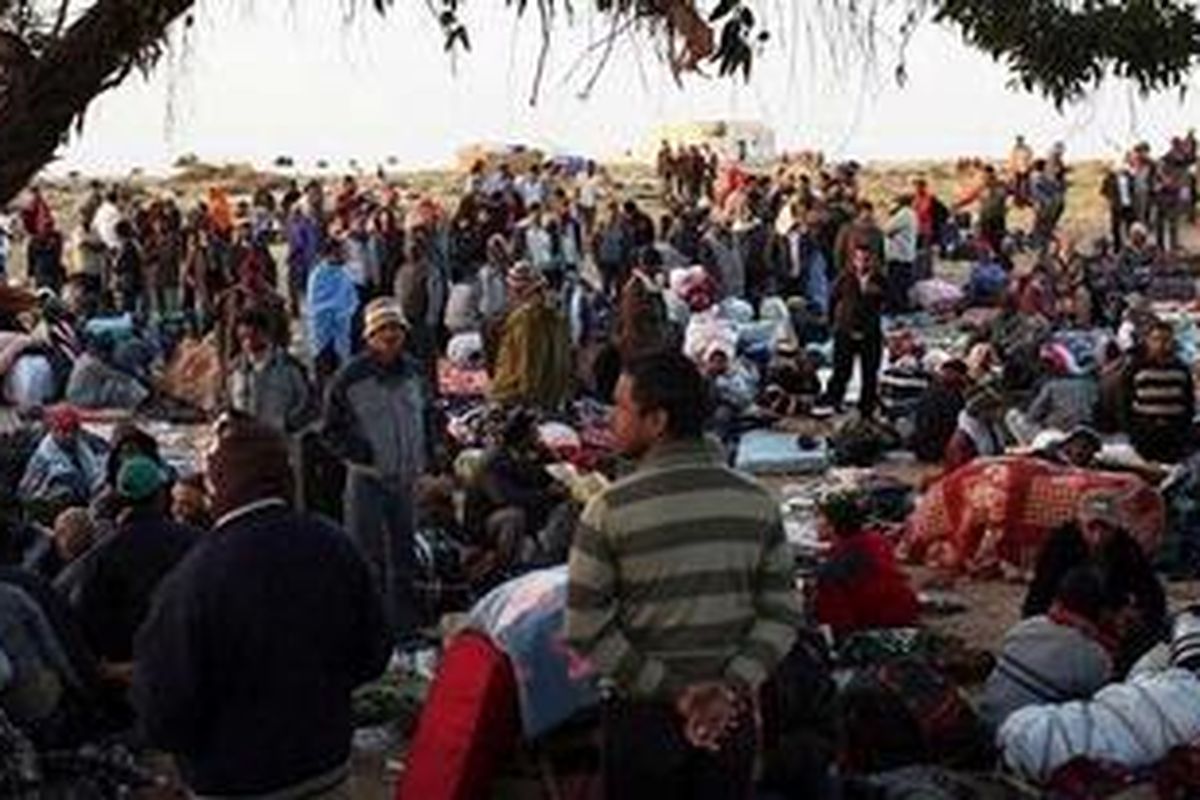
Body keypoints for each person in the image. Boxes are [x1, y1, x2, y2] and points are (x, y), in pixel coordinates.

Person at [566, 353, 801, 799]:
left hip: (642, 722)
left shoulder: (610, 510)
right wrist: (730, 687)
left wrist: (678, 694)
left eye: (619, 407)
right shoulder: (755, 502)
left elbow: (583, 627)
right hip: (728, 720)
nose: (610, 419)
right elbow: (783, 614)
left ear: (656, 421)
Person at [133, 418, 389, 799]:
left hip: (234, 781)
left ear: (219, 487)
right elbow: (373, 654)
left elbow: (164, 713)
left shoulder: (191, 579)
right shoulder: (335, 545)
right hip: (325, 767)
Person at [322, 298, 437, 647]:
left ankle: (405, 626)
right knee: (366, 556)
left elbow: (430, 415)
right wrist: (361, 451)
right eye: (383, 331)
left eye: (396, 330)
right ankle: (369, 631)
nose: (391, 337)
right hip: (367, 479)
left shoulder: (415, 371)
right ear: (370, 336)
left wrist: (433, 451)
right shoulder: (349, 377)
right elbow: (330, 430)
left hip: (404, 478)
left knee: (403, 553)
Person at [75, 455, 197, 681]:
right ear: (161, 496)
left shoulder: (102, 554)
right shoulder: (194, 542)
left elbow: (89, 619)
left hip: (126, 674)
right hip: (187, 665)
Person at [1023, 504, 1167, 675]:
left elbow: (1153, 596)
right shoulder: (1060, 542)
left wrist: (1134, 613)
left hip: (1108, 616)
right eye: (1091, 527)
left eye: (1105, 529)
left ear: (1116, 528)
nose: (1097, 537)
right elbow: (1038, 594)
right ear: (1079, 525)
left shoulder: (1127, 547)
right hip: (1066, 615)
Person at [980, 566, 1115, 731]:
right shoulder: (1093, 656)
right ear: (1100, 612)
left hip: (986, 721)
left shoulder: (1027, 626)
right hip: (1022, 743)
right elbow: (1103, 706)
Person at [810, 491, 919, 638]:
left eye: (819, 517)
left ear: (832, 524)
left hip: (876, 627)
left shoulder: (834, 566)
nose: (814, 522)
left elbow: (837, 623)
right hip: (907, 614)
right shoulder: (878, 540)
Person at [489, 263, 573, 410]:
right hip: (551, 397)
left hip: (517, 399)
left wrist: (525, 405)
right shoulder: (556, 315)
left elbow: (528, 366)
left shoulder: (526, 318)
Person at [816, 242, 885, 418]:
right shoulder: (844, 278)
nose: (863, 264)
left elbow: (892, 301)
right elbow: (832, 301)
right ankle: (834, 401)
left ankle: (866, 409)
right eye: (859, 260)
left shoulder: (880, 280)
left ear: (873, 261)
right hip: (845, 331)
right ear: (853, 260)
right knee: (841, 370)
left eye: (867, 260)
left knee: (869, 373)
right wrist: (832, 324)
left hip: (870, 333)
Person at [226, 308, 315, 436]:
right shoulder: (235, 371)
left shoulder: (291, 367)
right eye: (243, 338)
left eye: (253, 336)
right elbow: (227, 406)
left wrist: (288, 424)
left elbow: (309, 405)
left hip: (282, 446)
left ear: (267, 334)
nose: (248, 343)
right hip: (245, 446)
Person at [1123, 320, 1194, 464]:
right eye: (1156, 339)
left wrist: (1183, 429)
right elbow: (1124, 402)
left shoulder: (1181, 368)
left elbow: (1188, 401)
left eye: (1166, 340)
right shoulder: (1135, 368)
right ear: (1148, 341)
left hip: (1174, 434)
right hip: (1145, 432)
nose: (1161, 345)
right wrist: (1133, 430)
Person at [306, 238, 360, 388]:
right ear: (330, 253)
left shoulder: (344, 272)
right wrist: (337, 310)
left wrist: (348, 311)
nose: (344, 255)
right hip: (323, 333)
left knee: (342, 376)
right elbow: (315, 306)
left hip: (342, 330)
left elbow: (352, 298)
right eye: (340, 252)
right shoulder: (318, 275)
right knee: (324, 377)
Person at [943, 380, 1008, 471]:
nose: (999, 413)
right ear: (981, 410)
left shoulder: (991, 427)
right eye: (994, 409)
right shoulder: (963, 440)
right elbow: (962, 471)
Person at [883, 194, 918, 313]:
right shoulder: (911, 214)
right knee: (901, 285)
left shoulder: (904, 214)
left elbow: (886, 229)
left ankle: (898, 308)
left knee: (896, 285)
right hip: (905, 255)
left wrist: (889, 215)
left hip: (899, 256)